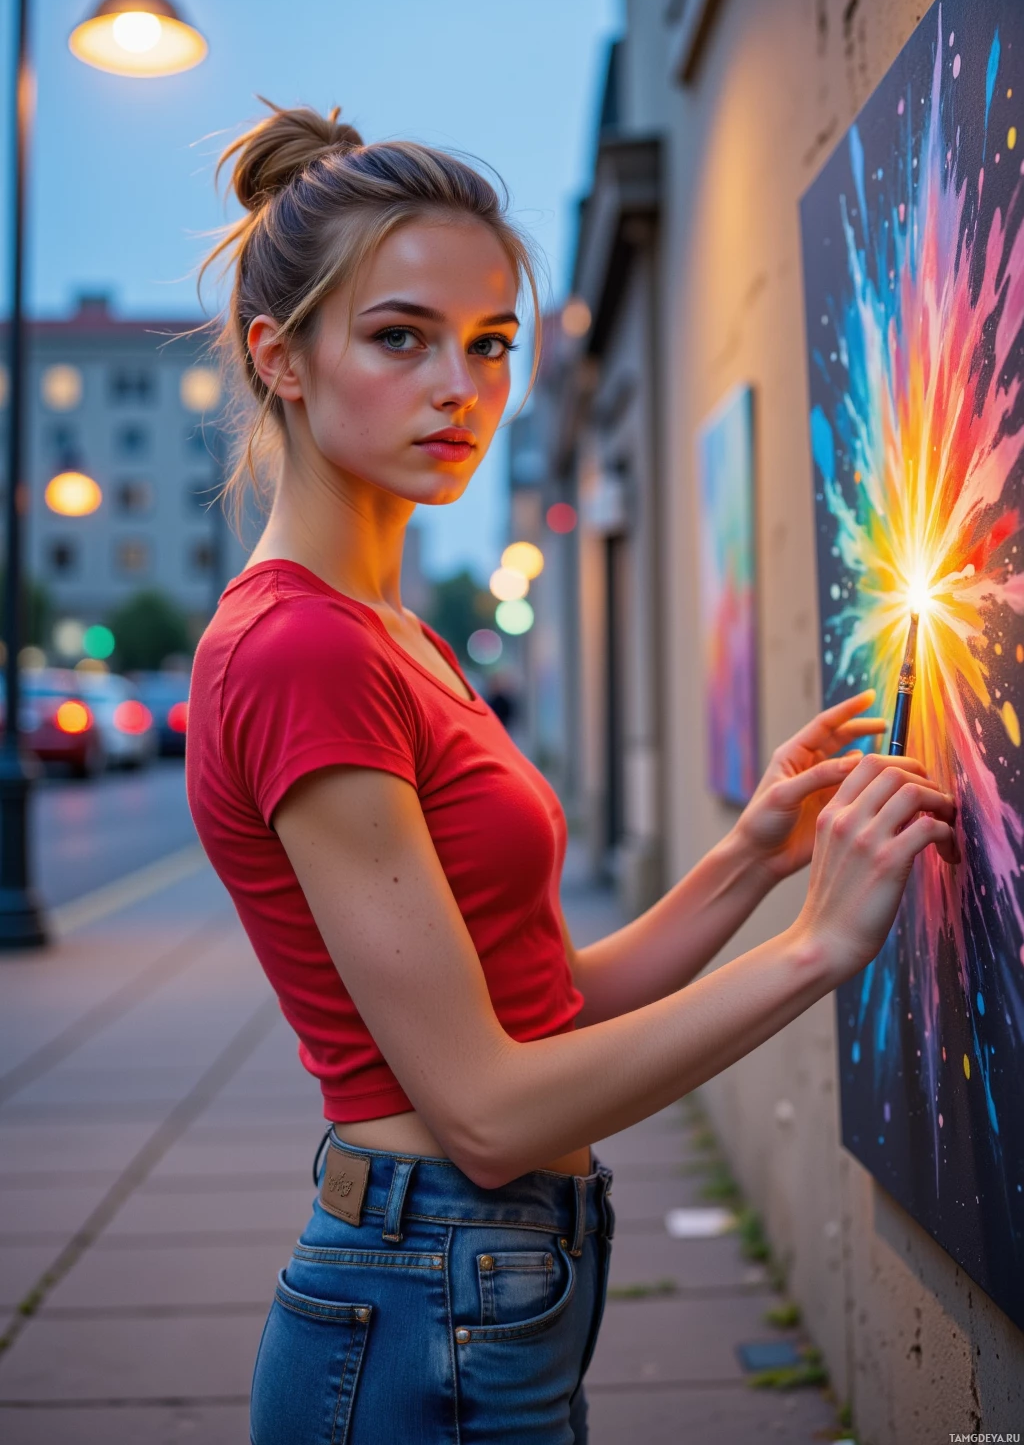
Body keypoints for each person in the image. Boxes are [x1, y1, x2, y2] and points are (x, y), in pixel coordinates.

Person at [186, 103, 958, 1445]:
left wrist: (751, 858)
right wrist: (816, 952)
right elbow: (483, 1110)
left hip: (495, 1278)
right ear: (283, 358)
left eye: (490, 346)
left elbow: (539, 1001)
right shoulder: (300, 649)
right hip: (427, 1298)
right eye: (398, 338)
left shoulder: (397, 636)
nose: (460, 388)